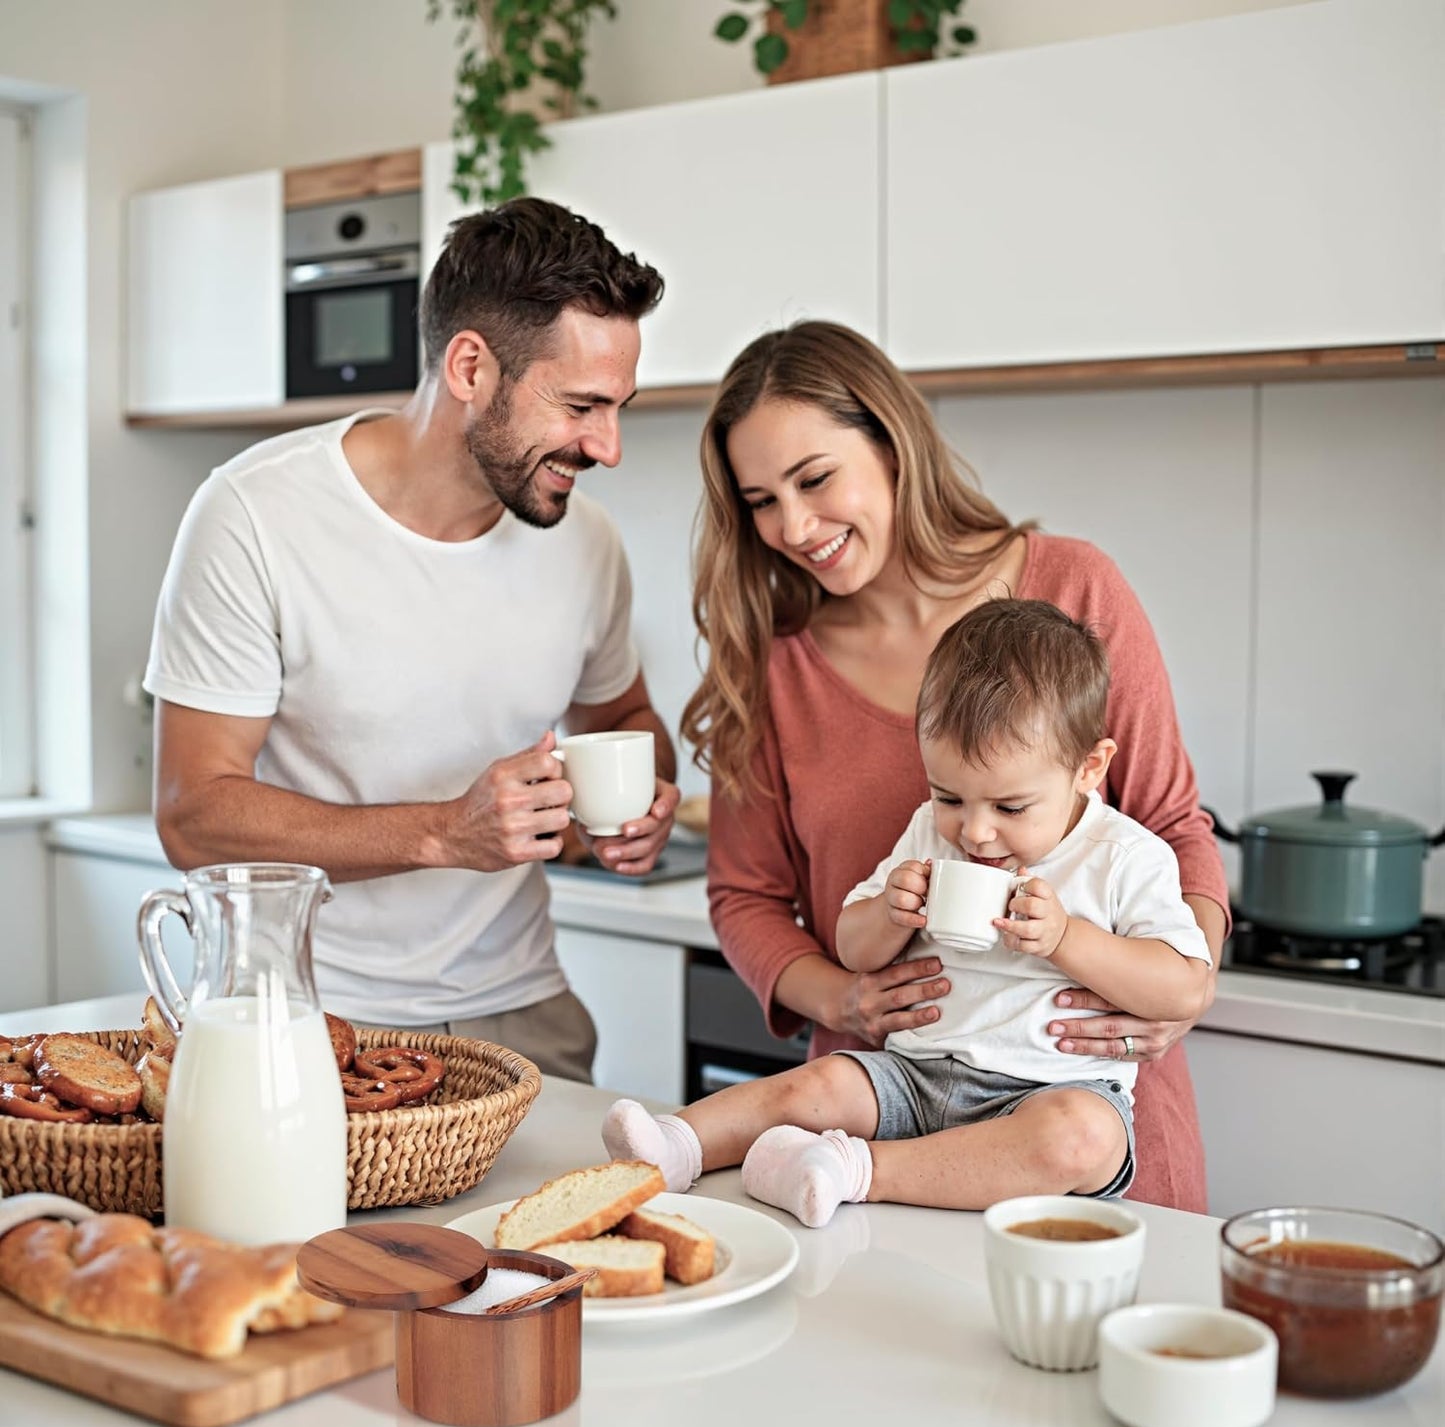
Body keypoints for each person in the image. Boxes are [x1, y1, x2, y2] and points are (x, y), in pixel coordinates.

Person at [679, 320, 1229, 1210]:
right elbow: (743, 896)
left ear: (892, 445)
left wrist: (1178, 988)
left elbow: (1171, 824)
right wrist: (845, 999)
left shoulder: (1074, 589)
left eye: (814, 479)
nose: (793, 525)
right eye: (760, 501)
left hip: (1083, 1118)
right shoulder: (770, 669)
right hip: (866, 1140)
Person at [143, 197, 679, 1082]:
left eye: (618, 406)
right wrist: (442, 833)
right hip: (303, 1014)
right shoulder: (254, 515)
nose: (608, 447)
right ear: (470, 365)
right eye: (582, 404)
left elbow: (619, 710)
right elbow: (193, 814)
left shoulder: (586, 544)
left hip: (523, 1016)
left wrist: (642, 799)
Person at [603, 599, 1212, 1225]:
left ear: (1089, 768)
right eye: (949, 795)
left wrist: (1065, 939)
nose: (974, 832)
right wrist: (890, 915)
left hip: (1050, 1092)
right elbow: (852, 949)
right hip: (914, 1072)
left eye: (1010, 807)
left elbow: (1183, 987)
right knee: (818, 1085)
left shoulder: (1125, 857)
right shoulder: (929, 831)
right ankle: (675, 1146)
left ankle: (855, 1169)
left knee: (1084, 1140)